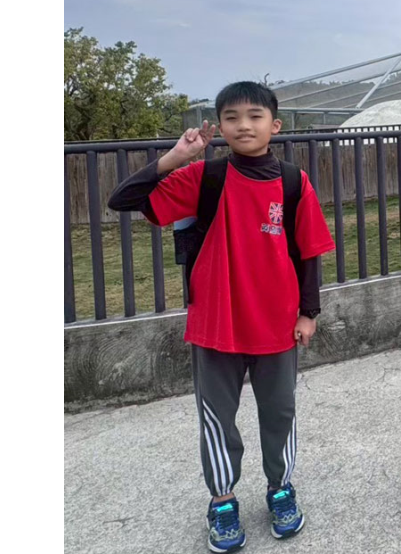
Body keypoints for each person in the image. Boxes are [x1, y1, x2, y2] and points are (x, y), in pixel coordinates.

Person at [108, 82, 334, 552]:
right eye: (231, 117)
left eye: (254, 116)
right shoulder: (203, 178)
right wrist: (175, 157)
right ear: (220, 127)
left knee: (280, 413)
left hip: (276, 324)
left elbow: (309, 252)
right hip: (216, 325)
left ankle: (281, 489)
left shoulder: (293, 183)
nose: (243, 125)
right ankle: (223, 500)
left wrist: (308, 313)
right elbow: (122, 200)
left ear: (275, 125)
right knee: (217, 419)